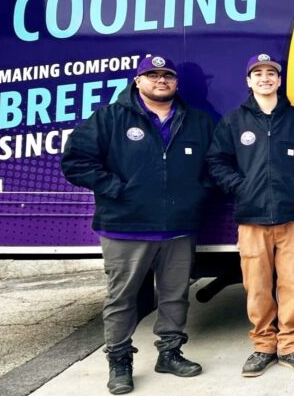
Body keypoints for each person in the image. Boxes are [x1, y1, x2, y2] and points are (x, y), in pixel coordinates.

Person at [61, 55, 215, 395]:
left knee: (175, 296)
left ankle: (170, 353)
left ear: (176, 82)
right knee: (122, 299)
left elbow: (214, 164)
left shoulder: (198, 121)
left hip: (179, 227)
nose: (161, 80)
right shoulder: (109, 118)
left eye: (167, 75)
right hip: (125, 227)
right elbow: (75, 162)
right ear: (138, 81)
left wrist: (197, 194)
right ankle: (119, 362)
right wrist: (116, 189)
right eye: (152, 75)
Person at [206, 54, 294, 377]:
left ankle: (291, 346)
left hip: (293, 216)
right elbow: (216, 161)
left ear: (279, 80)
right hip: (252, 219)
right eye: (257, 73)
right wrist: (240, 187)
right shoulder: (233, 122)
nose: (264, 78)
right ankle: (263, 346)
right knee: (257, 287)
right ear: (248, 81)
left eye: (270, 73)